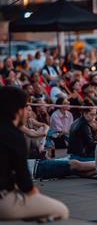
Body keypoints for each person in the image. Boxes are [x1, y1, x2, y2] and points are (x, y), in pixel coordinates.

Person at [0, 86, 68, 221]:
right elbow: (24, 182)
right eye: (26, 107)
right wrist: (34, 194)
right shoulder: (14, 135)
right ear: (19, 111)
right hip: (4, 200)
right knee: (62, 210)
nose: (27, 112)